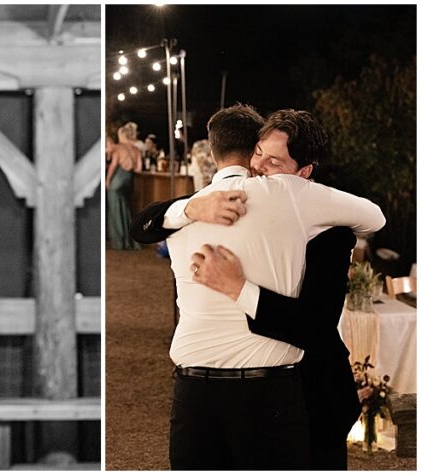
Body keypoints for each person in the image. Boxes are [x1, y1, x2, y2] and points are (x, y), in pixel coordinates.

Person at [138, 105, 384, 469]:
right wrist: (189, 209)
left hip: (310, 392)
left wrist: (239, 288)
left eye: (275, 161)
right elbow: (144, 223)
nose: (261, 168)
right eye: (259, 154)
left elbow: (315, 327)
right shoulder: (203, 206)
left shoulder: (328, 228)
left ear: (304, 173)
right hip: (212, 396)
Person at [106, 125, 142, 250]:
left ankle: (119, 242)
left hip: (117, 180)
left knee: (115, 211)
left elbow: (113, 166)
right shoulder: (136, 150)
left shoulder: (118, 148)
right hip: (128, 180)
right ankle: (130, 241)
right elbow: (138, 168)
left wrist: (108, 180)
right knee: (126, 210)